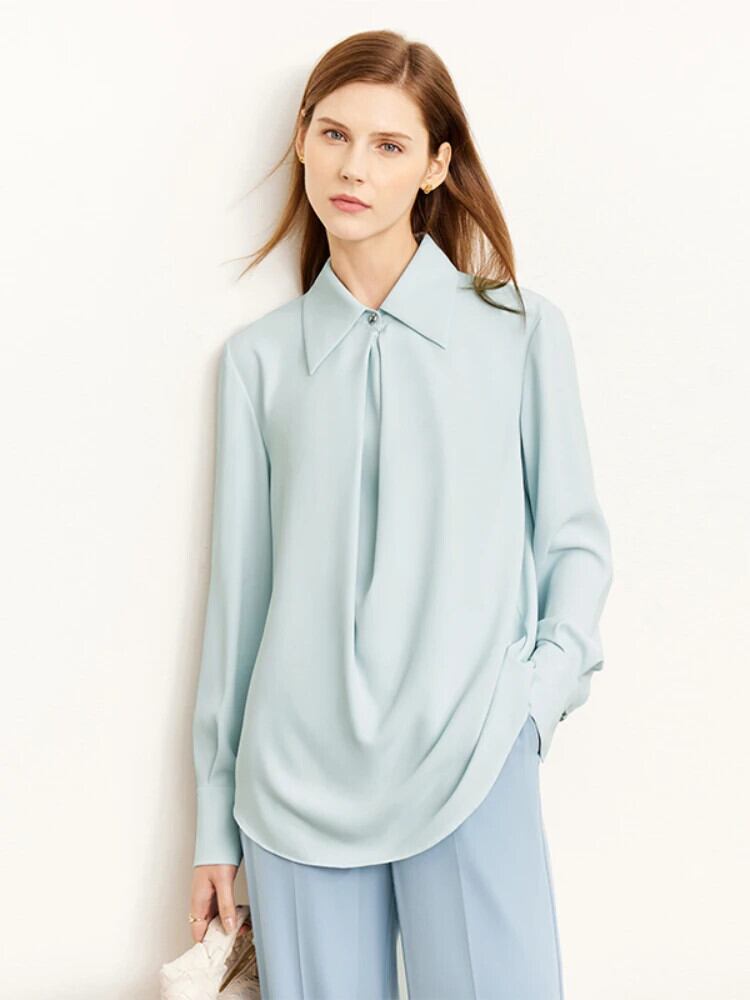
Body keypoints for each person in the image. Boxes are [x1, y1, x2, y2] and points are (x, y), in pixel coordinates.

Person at [187, 28, 614, 1000]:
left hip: (472, 751)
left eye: (389, 145)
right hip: (292, 784)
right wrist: (215, 822)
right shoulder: (259, 361)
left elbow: (575, 541)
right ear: (302, 139)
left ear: (436, 165)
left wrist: (531, 703)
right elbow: (238, 603)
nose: (354, 168)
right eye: (335, 135)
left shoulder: (520, 330)